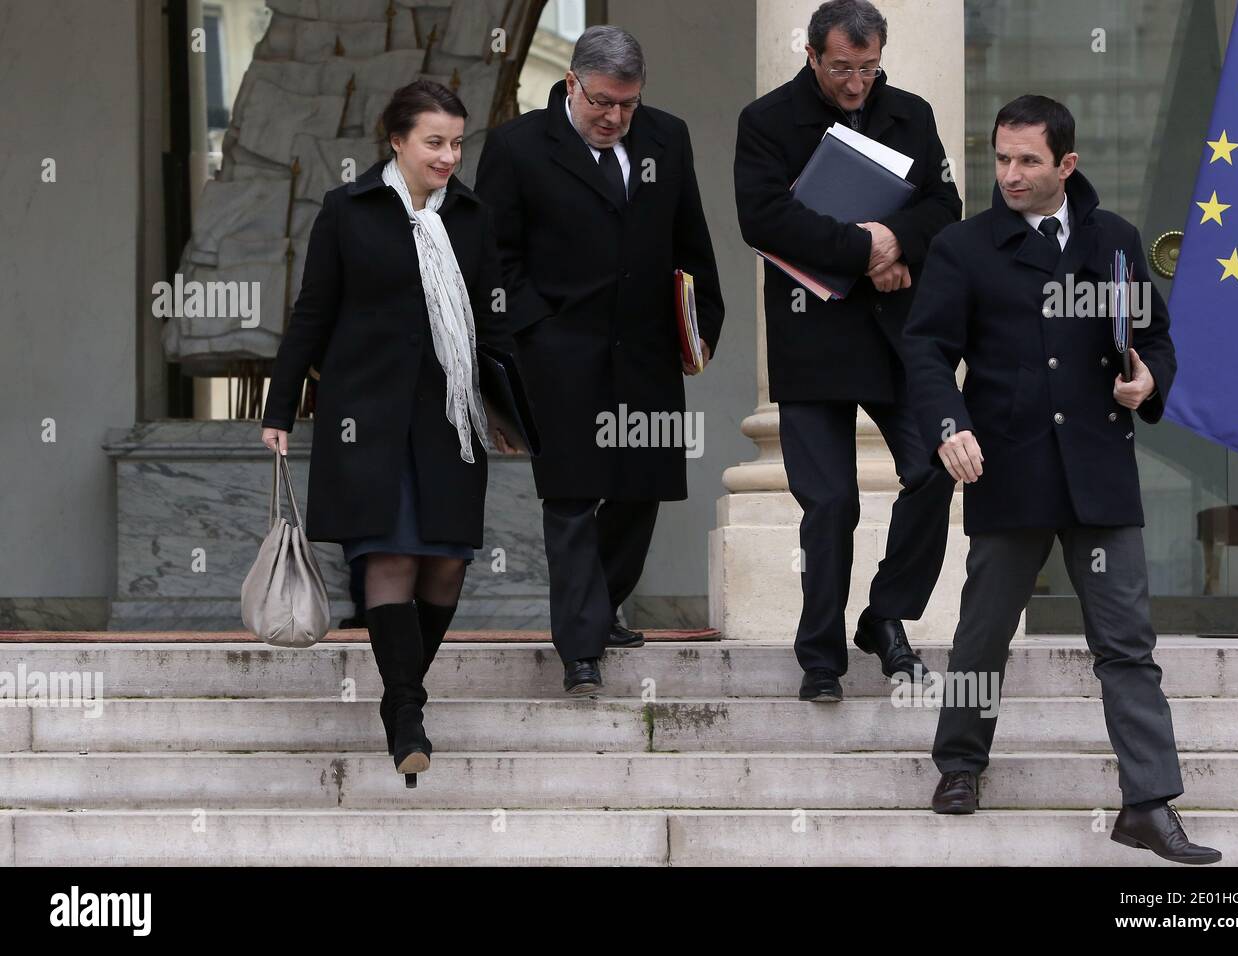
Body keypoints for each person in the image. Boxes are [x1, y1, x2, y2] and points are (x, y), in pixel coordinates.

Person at [903, 94, 1221, 864]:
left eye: (1027, 162)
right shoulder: (963, 246)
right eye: (1001, 158)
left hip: (1099, 471)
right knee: (983, 632)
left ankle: (1148, 804)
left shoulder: (1115, 242)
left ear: (1066, 165)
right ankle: (959, 764)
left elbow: (1155, 339)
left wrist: (1149, 385)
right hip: (1006, 465)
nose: (1009, 174)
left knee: (1126, 643)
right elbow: (924, 349)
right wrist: (951, 427)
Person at [259, 79, 517, 787]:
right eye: (434, 142)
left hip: (448, 418)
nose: (447, 156)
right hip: (365, 419)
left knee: (446, 564)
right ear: (396, 140)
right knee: (390, 558)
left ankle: (400, 697)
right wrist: (280, 410)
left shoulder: (472, 216)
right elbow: (312, 314)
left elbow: (492, 325)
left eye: (457, 143)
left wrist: (511, 409)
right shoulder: (347, 212)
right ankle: (407, 710)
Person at [476, 25, 724, 695]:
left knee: (640, 490)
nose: (615, 117)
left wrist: (702, 325)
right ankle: (580, 647)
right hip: (558, 357)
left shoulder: (667, 138)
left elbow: (689, 239)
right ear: (571, 86)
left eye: (628, 103)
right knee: (572, 497)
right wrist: (532, 333)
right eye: (602, 102)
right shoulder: (517, 147)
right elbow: (494, 258)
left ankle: (601, 608)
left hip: (645, 352)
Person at [733, 0, 961, 702]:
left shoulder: (912, 112)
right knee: (830, 503)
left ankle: (885, 617)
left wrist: (900, 242)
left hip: (899, 335)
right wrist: (869, 249)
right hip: (813, 338)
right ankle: (820, 656)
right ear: (811, 55)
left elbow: (943, 206)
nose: (857, 83)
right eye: (842, 69)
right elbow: (764, 218)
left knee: (933, 468)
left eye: (868, 67)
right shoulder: (766, 121)